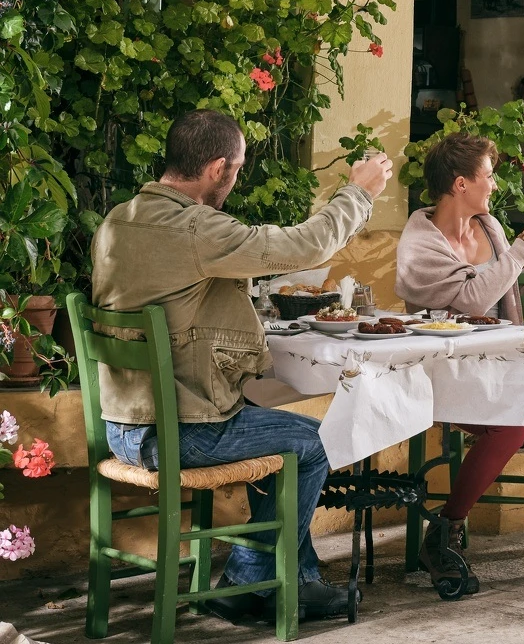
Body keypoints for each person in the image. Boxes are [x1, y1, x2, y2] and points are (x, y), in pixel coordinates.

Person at [90, 110, 393, 624]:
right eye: (238, 168)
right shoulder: (193, 228)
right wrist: (357, 193)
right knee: (312, 442)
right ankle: (249, 579)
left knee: (270, 424)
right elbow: (305, 246)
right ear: (216, 167)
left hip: (122, 426)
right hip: (180, 434)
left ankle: (297, 580)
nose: (237, 179)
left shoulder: (119, 219)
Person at [394, 132, 524, 594]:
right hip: (443, 371)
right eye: (489, 175)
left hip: (498, 367)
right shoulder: (419, 243)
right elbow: (469, 302)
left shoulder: (488, 227)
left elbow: (496, 278)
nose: (496, 183)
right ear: (461, 183)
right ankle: (447, 528)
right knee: (518, 415)